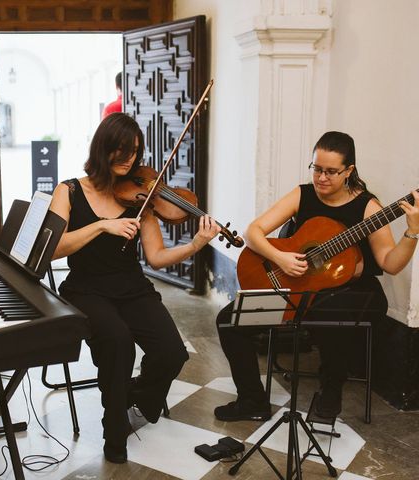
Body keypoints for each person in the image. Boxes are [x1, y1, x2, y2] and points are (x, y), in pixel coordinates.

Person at [49, 113, 221, 463]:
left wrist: (196, 245)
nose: (130, 161)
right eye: (123, 152)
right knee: (118, 343)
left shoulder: (140, 197)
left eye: (135, 152)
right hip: (86, 288)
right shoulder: (68, 190)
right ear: (103, 148)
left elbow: (156, 257)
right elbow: (53, 248)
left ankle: (129, 393)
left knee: (173, 353)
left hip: (131, 287)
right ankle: (114, 430)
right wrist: (101, 227)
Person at [215, 131, 419, 421]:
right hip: (294, 283)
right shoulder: (303, 194)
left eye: (331, 172)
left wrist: (412, 232)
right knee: (228, 322)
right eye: (317, 169)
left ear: (349, 171)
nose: (322, 178)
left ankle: (331, 391)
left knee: (328, 315)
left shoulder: (368, 208)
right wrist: (280, 258)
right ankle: (252, 400)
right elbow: (253, 232)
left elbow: (390, 263)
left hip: (349, 291)